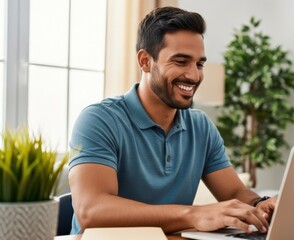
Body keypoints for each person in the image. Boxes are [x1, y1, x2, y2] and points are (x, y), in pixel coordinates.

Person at [68, 6, 276, 235]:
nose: (194, 76)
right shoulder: (99, 120)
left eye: (199, 64)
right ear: (145, 61)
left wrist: (260, 204)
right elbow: (91, 211)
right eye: (180, 61)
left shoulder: (201, 126)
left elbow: (234, 193)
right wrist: (194, 214)